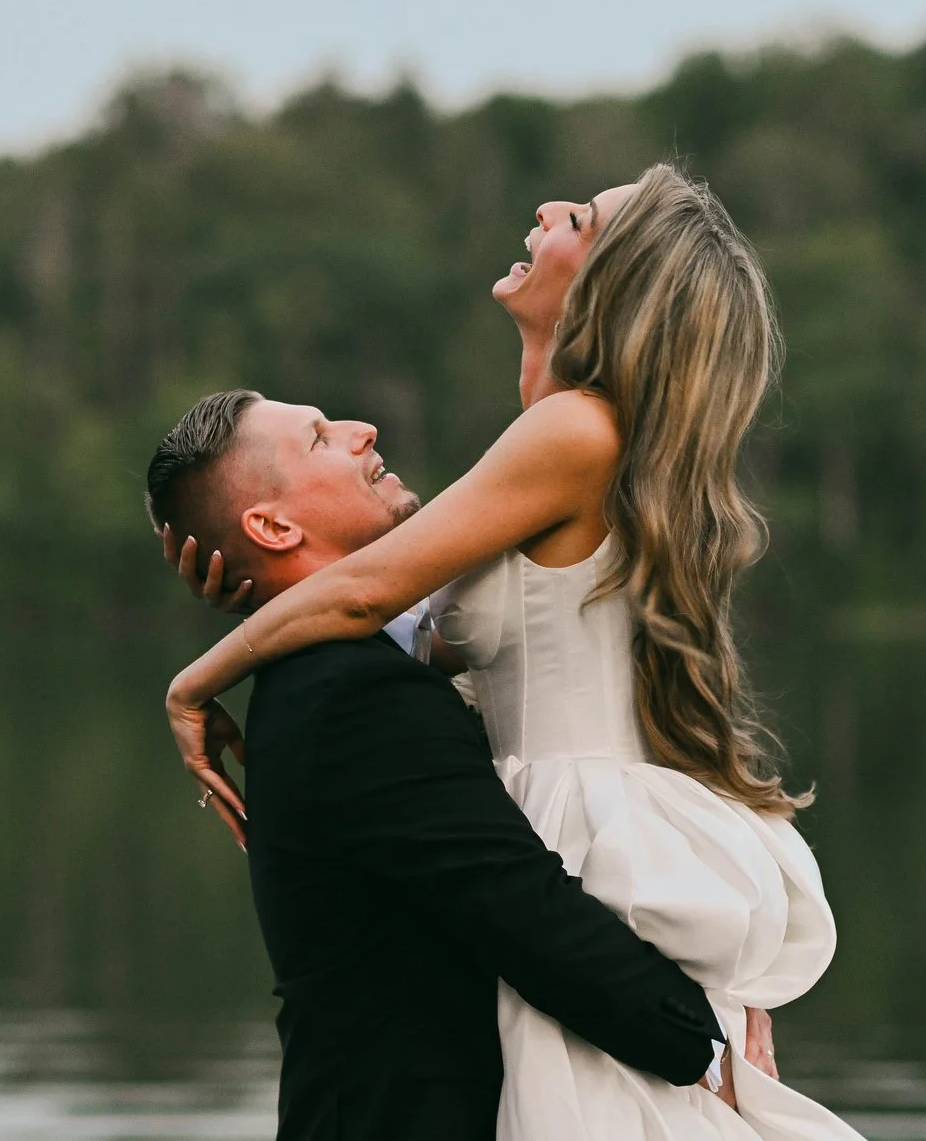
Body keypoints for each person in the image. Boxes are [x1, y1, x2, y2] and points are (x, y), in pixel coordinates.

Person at [158, 164, 863, 1140]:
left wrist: (200, 679)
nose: (542, 211)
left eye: (575, 217)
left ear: (607, 289)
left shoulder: (572, 428)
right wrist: (260, 584)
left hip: (576, 812)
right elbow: (413, 626)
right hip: (559, 800)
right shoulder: (557, 436)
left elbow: (370, 592)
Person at [145, 393, 729, 1141]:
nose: (364, 431)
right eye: (322, 438)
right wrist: (707, 1048)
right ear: (274, 525)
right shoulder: (350, 693)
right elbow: (521, 907)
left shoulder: (337, 669)